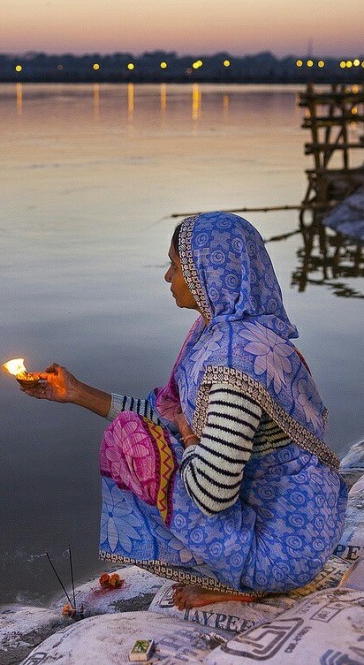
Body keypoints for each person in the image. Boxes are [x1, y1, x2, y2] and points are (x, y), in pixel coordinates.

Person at [21, 212, 347, 609]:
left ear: (205, 271)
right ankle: (239, 568)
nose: (167, 277)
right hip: (294, 526)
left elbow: (212, 493)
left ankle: (244, 579)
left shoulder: (233, 363)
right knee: (148, 438)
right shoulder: (223, 331)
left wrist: (189, 440)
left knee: (130, 440)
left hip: (278, 550)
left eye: (175, 266)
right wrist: (76, 392)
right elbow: (173, 417)